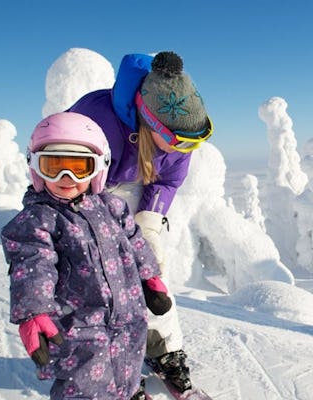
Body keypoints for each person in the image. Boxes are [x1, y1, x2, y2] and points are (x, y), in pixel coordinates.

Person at [66, 50, 212, 392]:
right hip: (87, 190)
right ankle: (106, 359)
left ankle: (164, 349)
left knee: (150, 275)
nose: (187, 148)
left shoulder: (178, 146)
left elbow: (167, 181)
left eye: (197, 139)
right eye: (180, 139)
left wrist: (148, 224)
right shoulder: (95, 118)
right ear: (150, 121)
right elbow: (63, 164)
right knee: (100, 281)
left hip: (135, 188)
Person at [2, 112, 173, 399]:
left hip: (128, 317)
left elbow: (134, 241)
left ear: (98, 168)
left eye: (79, 168)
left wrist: (150, 276)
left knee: (128, 370)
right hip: (77, 330)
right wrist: (33, 312)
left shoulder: (113, 207)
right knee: (84, 387)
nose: (65, 178)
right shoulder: (38, 219)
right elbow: (32, 262)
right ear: (35, 167)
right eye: (53, 167)